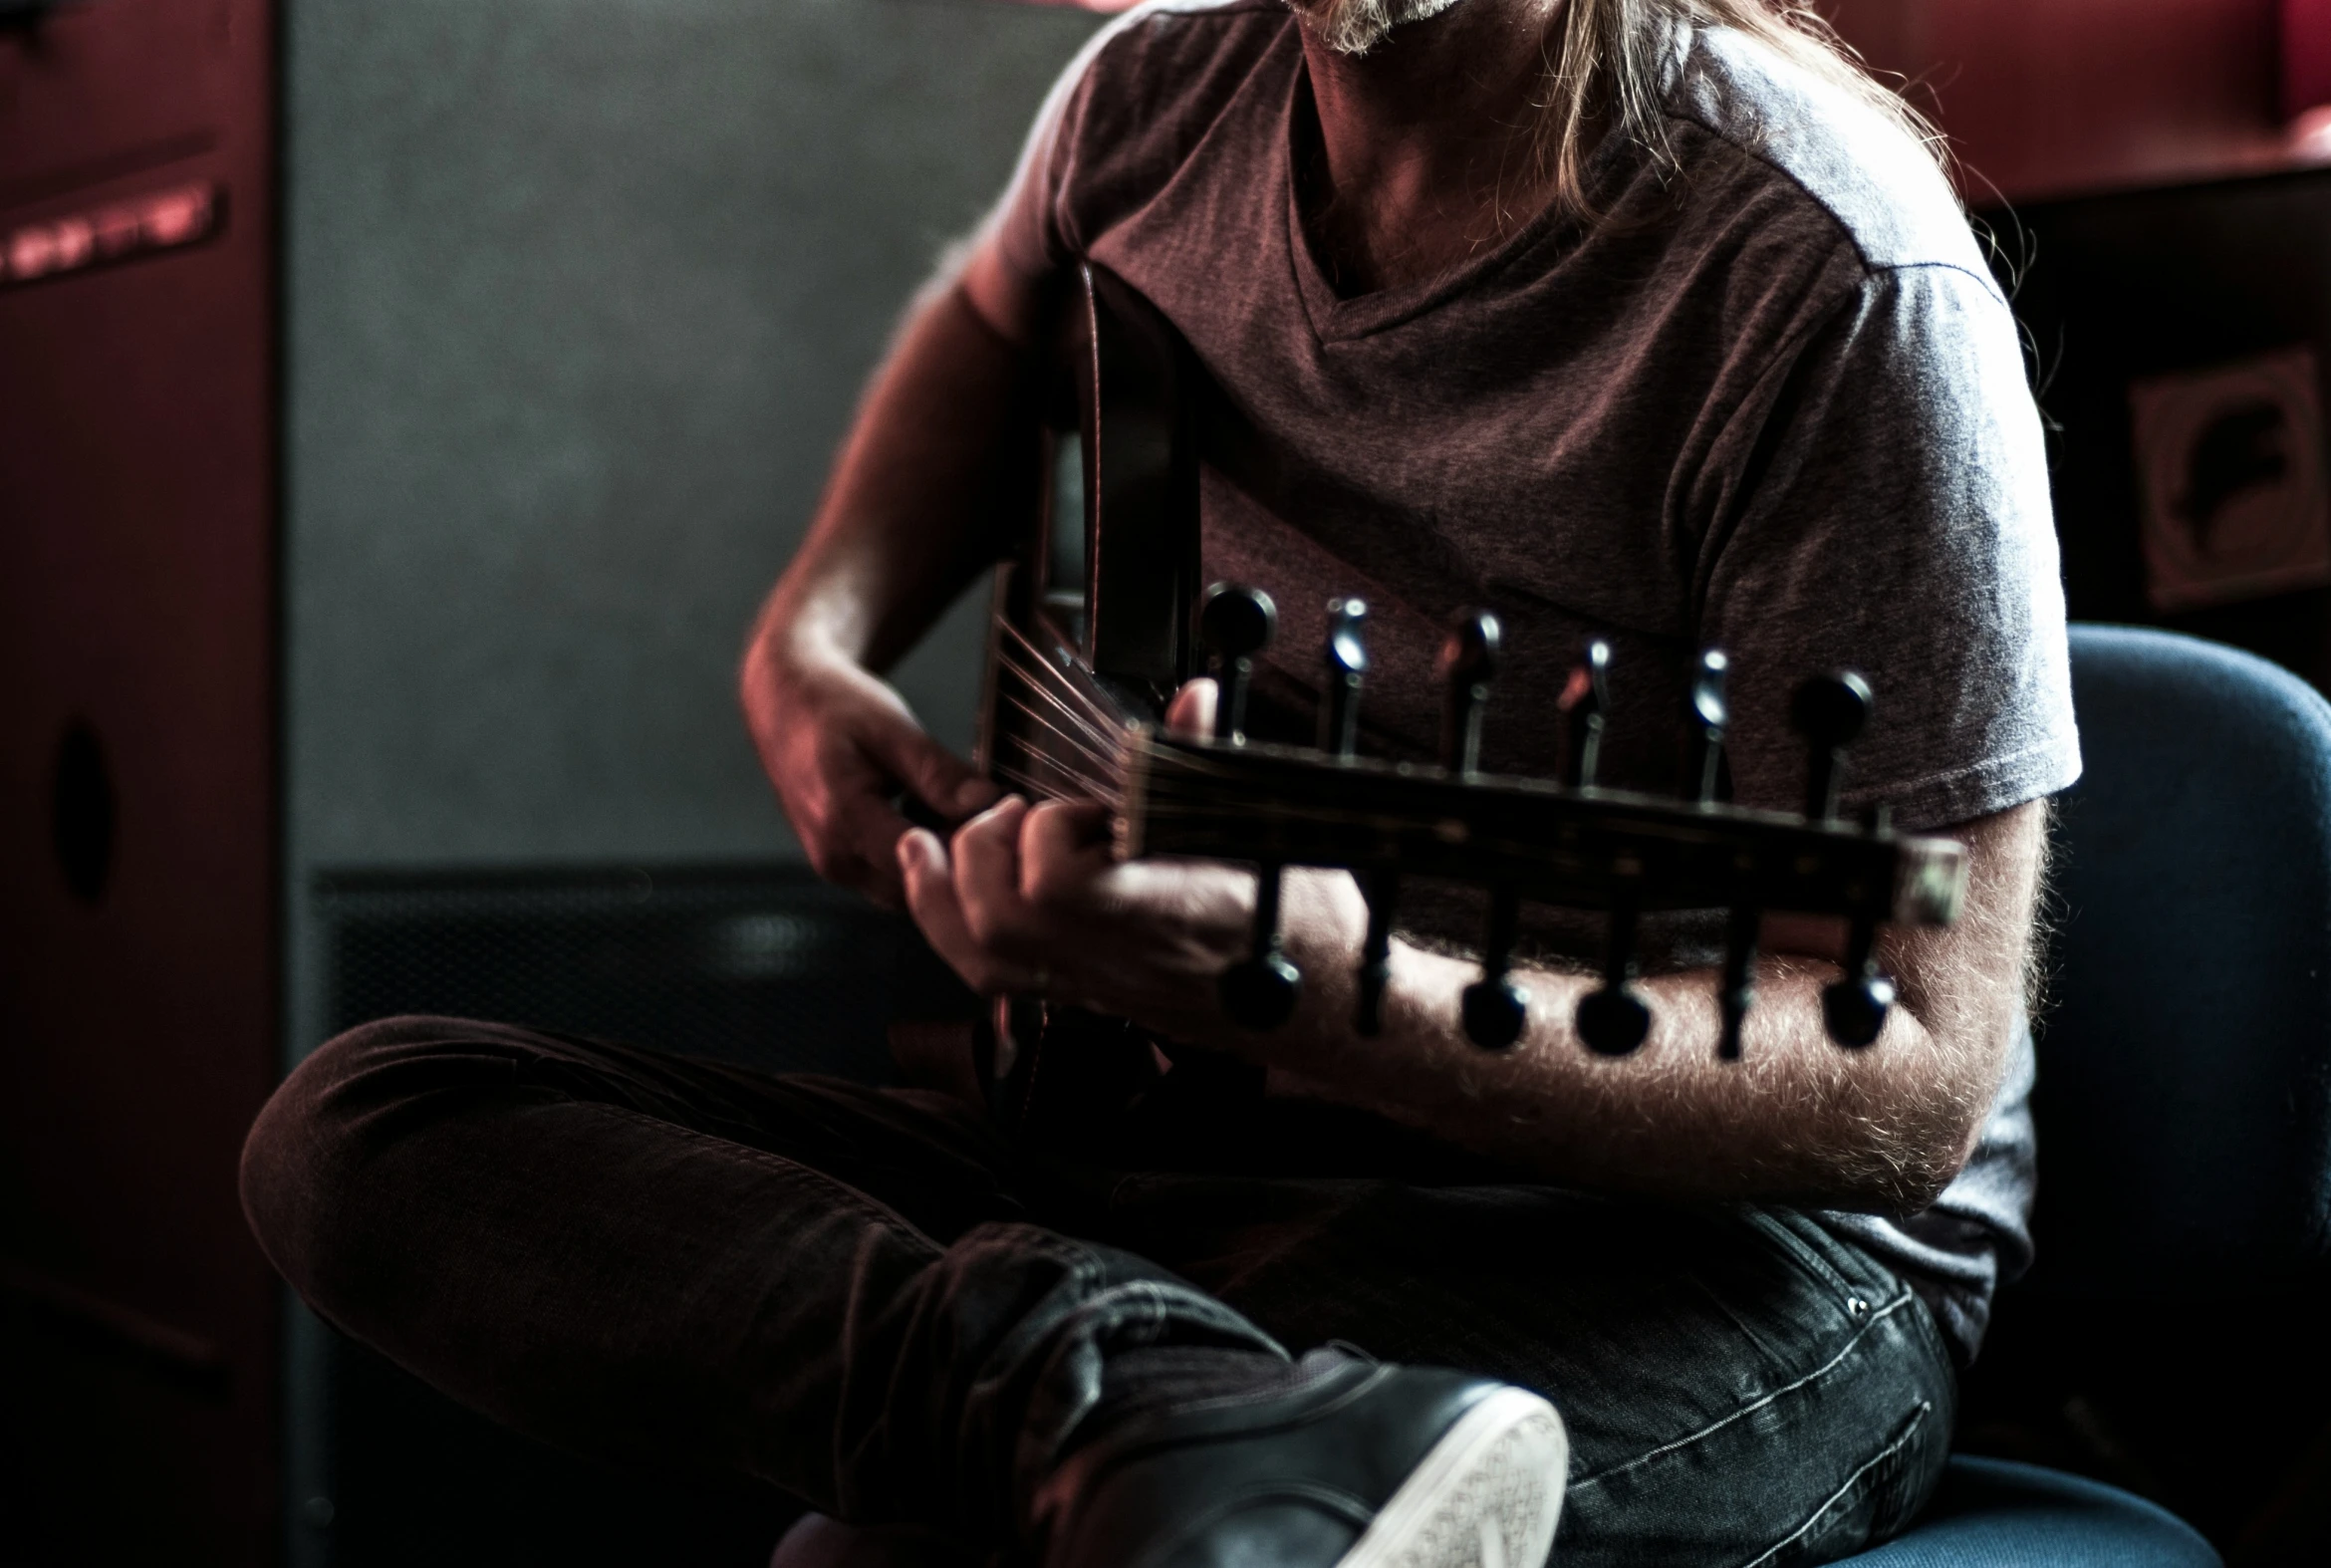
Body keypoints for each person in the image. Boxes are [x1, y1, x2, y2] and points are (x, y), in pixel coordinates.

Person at [240, 0, 2077, 1563]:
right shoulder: (1151, 103)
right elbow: (985, 325)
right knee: (366, 1126)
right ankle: (1099, 1386)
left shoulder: (1831, 274)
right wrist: (810, 643)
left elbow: (1917, 1067)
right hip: (1197, 1137)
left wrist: (1341, 999)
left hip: (1731, 1257)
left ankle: (1115, 1419)